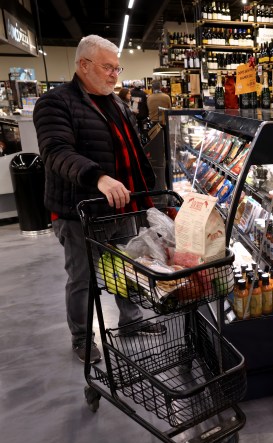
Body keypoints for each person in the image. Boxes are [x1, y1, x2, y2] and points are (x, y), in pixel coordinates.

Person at [33, 35, 166, 365]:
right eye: (107, 67)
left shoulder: (116, 103)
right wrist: (98, 177)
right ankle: (81, 336)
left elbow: (132, 151)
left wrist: (145, 192)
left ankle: (131, 320)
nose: (114, 74)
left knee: (125, 265)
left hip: (121, 206)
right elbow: (56, 152)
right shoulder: (55, 103)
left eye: (116, 67)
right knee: (83, 277)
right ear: (83, 65)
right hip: (79, 211)